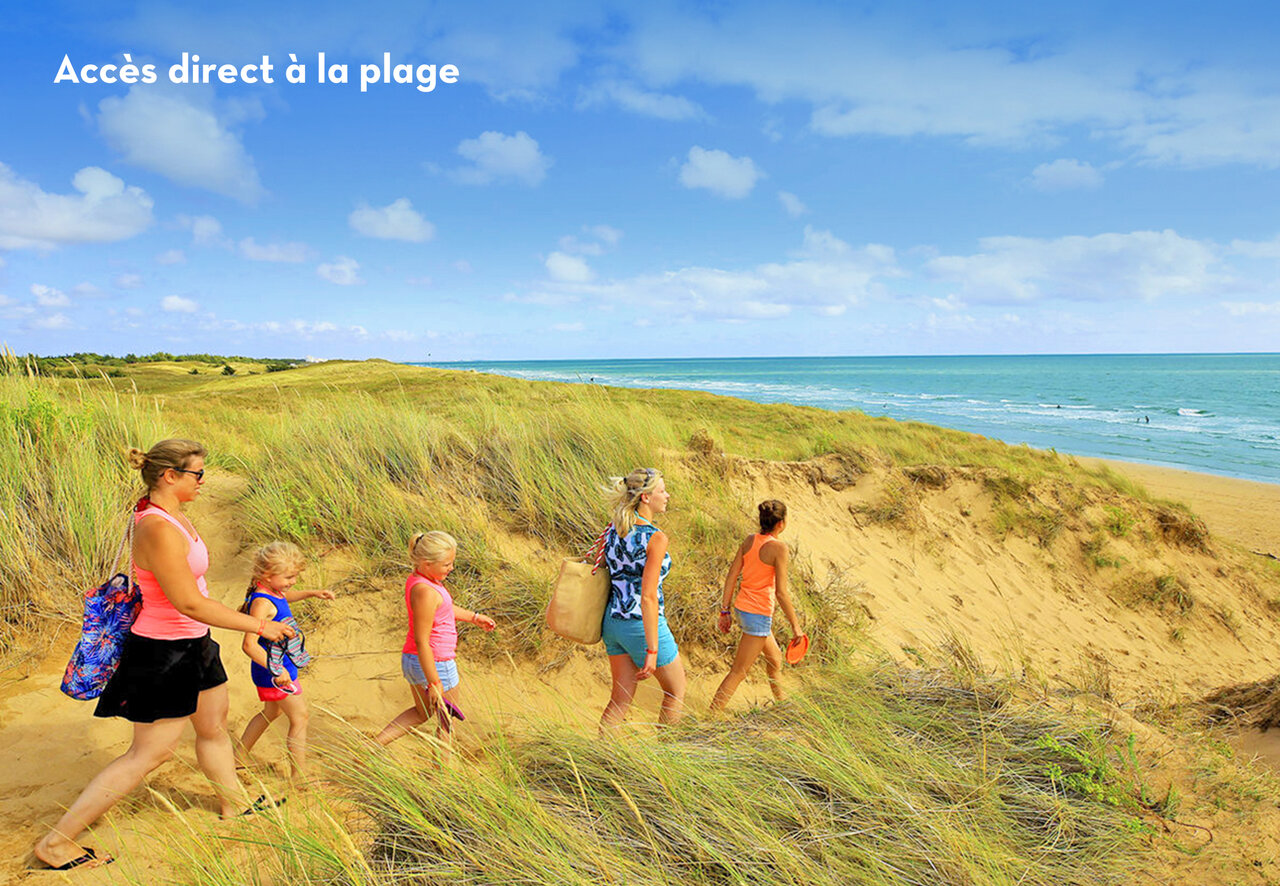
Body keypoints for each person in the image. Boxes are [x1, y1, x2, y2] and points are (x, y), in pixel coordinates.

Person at [33, 439, 295, 871]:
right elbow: (188, 601)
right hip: (162, 652)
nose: (204, 481)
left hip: (195, 644)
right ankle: (56, 843)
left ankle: (233, 805)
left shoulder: (174, 515)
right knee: (149, 753)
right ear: (169, 476)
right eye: (198, 474)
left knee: (212, 728)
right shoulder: (156, 526)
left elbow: (195, 606)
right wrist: (260, 625)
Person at [375, 531, 495, 750]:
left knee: (422, 713)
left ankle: (370, 747)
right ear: (427, 563)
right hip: (436, 663)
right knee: (446, 722)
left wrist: (474, 617)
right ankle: (442, 778)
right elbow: (423, 640)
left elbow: (443, 609)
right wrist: (435, 682)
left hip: (415, 660)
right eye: (446, 564)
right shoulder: (426, 591)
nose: (451, 568)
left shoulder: (421, 580)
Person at [234, 541, 334, 784]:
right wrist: (276, 671)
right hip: (275, 671)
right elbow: (249, 645)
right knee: (300, 717)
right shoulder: (262, 603)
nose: (293, 581)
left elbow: (285, 596)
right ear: (267, 575)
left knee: (271, 712)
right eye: (289, 576)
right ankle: (299, 777)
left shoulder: (272, 592)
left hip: (281, 666)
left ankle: (237, 757)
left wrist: (311, 593)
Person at [599, 467, 686, 730]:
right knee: (675, 690)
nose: (667, 495)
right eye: (662, 491)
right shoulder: (655, 538)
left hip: (612, 622)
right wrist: (651, 650)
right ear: (646, 497)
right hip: (641, 623)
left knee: (620, 699)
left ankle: (601, 757)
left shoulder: (614, 528)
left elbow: (604, 569)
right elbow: (648, 597)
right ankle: (667, 758)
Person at [709, 500, 806, 713]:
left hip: (743, 609)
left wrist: (725, 610)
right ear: (781, 523)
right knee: (739, 671)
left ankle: (781, 704)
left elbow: (732, 575)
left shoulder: (750, 540)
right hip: (758, 614)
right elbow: (781, 592)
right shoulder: (779, 548)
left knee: (775, 659)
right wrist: (796, 626)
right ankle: (712, 714)